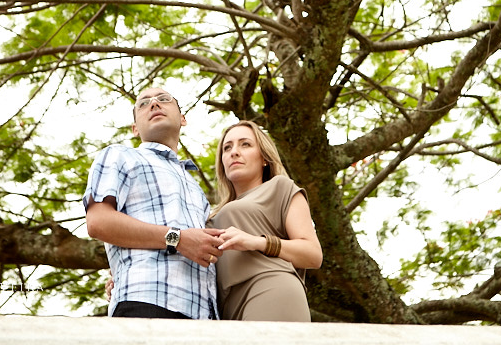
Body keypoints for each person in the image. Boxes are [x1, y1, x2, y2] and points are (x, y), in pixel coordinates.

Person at [83, 87, 224, 319]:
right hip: (145, 302)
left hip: (203, 317)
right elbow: (98, 222)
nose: (154, 104)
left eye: (164, 99)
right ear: (135, 129)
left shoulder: (196, 190)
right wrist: (177, 239)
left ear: (183, 119)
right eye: (143, 103)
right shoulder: (120, 156)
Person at [207, 120, 322, 321]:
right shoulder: (210, 215)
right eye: (227, 147)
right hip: (228, 312)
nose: (234, 152)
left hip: (271, 288)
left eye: (245, 144)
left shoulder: (280, 187)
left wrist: (258, 241)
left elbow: (312, 255)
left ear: (264, 159)